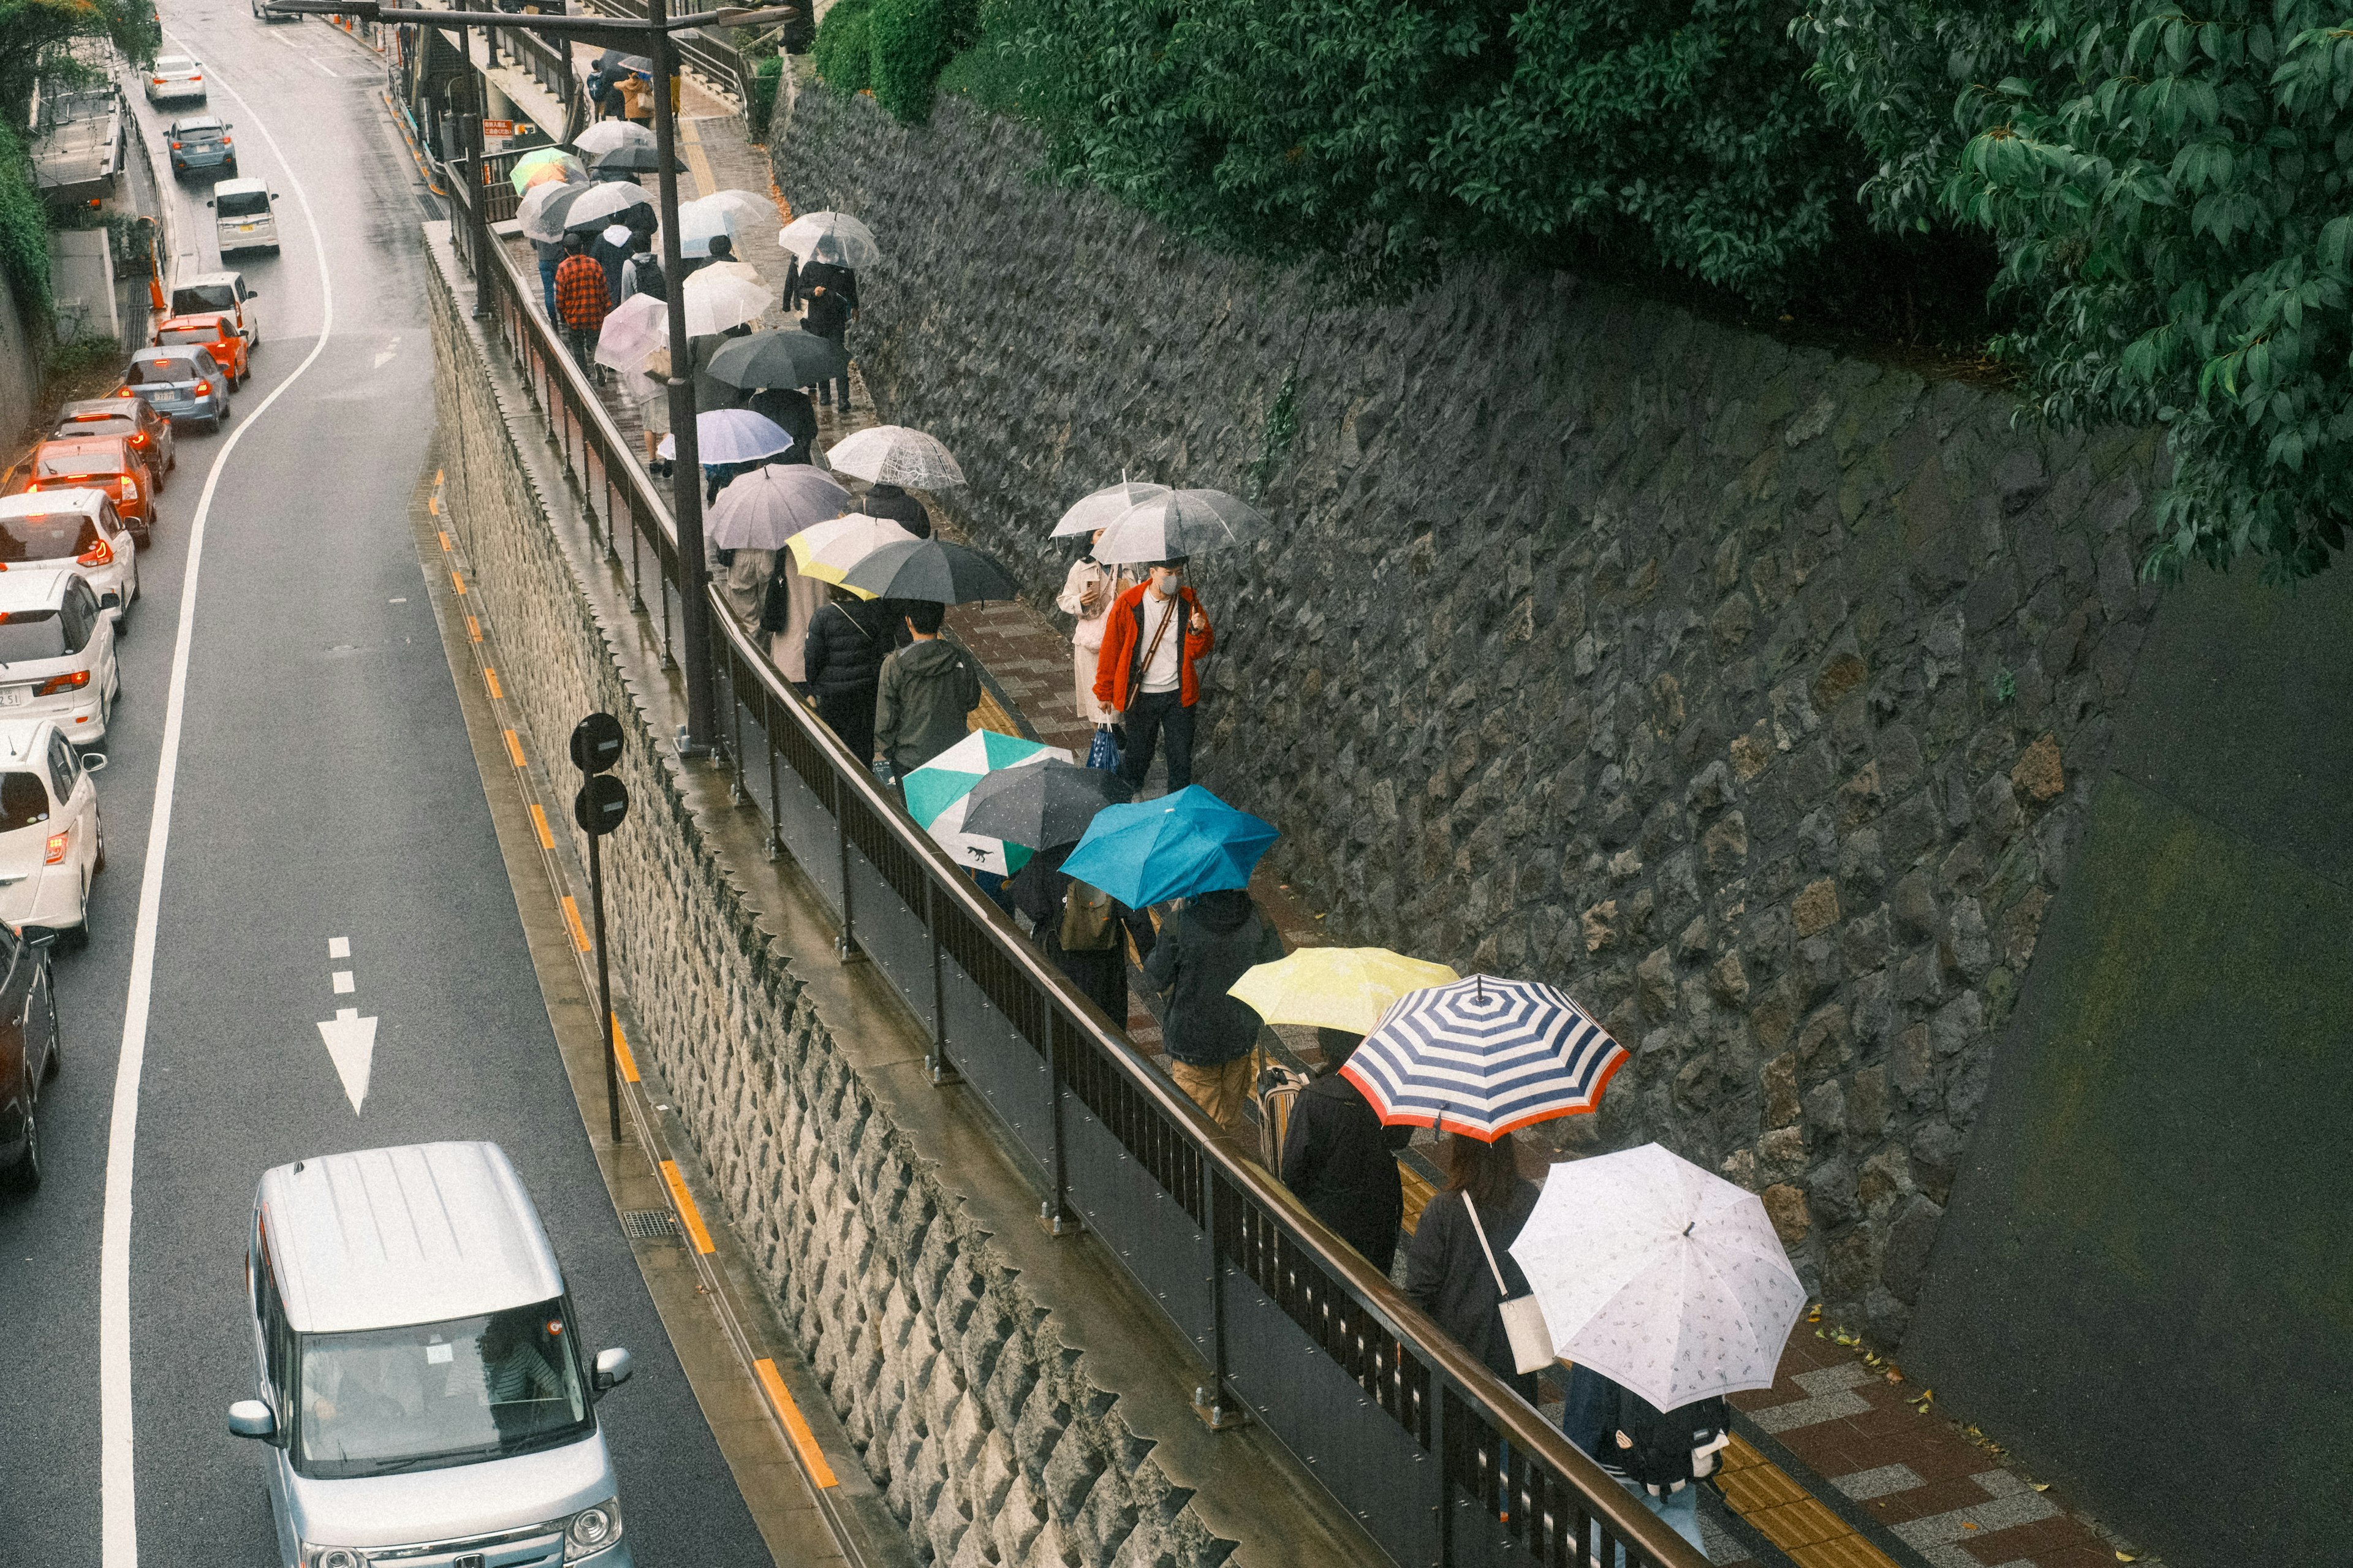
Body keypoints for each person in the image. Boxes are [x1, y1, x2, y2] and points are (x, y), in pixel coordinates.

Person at [1403, 1134, 1542, 1404]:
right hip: (1516, 1346)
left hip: (1459, 1350)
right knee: (1517, 1426)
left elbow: (1420, 1289)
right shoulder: (1529, 1199)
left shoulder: (1443, 1210)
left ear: (1460, 1152)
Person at [1141, 888, 1284, 1136]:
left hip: (1193, 1046)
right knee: (1229, 1127)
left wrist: (1174, 916)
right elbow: (1277, 967)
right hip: (1240, 1040)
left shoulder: (1180, 923)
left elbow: (1156, 977)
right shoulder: (1258, 916)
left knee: (1202, 1137)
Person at [1279, 1031, 1412, 1274]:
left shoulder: (1314, 1097)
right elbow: (1400, 1139)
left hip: (1327, 1215)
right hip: (1377, 1212)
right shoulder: (1388, 1092)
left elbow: (1292, 1169)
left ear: (1325, 1048)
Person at [1561, 1364, 1724, 1559]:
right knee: (1680, 1534)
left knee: (1613, 1551)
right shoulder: (1689, 1337)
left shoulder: (1602, 1339)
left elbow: (1586, 1408)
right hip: (1678, 1459)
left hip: (1620, 1466)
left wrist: (1573, 1463)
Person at [1093, 557, 1214, 795]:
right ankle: (1127, 799)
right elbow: (1111, 649)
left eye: (1179, 573)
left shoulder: (1189, 601)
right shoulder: (1130, 602)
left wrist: (1197, 631)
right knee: (1138, 754)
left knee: (1180, 758)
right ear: (1152, 572)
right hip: (1142, 695)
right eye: (1168, 573)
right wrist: (1104, 692)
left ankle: (1177, 809)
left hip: (1179, 695)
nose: (1175, 579)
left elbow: (1199, 652)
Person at [1007, 841, 1150, 1023]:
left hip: (1063, 960)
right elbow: (1137, 918)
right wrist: (1153, 962)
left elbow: (1035, 909)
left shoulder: (1046, 856)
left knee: (1067, 1023)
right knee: (1110, 1026)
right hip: (1107, 963)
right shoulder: (1113, 853)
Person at [872, 601, 980, 779]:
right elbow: (972, 700)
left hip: (909, 759)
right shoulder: (960, 658)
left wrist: (892, 754)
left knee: (911, 807)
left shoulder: (894, 665)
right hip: (953, 754)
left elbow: (885, 721)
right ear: (941, 620)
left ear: (908, 621)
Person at [802, 585, 890, 765]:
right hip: (867, 692)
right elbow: (886, 647)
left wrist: (814, 686)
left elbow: (812, 661)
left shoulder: (822, 617)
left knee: (834, 746)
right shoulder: (874, 612)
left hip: (833, 696)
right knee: (863, 746)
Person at [1056, 530, 1133, 726]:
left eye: (1110, 532)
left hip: (1120, 641)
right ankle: (1105, 746)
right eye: (1100, 533)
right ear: (1091, 539)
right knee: (1096, 705)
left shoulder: (1127, 566)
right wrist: (1079, 601)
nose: (1106, 537)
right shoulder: (1082, 567)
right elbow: (1064, 600)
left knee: (1117, 705)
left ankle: (1113, 742)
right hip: (1090, 644)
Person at [792, 235, 858, 412]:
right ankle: (825, 394)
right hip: (817, 319)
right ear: (818, 250)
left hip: (837, 319)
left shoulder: (843, 267)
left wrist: (855, 307)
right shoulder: (811, 267)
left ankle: (844, 398)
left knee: (838, 357)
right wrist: (813, 292)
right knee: (821, 356)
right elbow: (800, 289)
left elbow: (852, 290)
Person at [760, 537, 825, 684]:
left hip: (790, 624)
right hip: (820, 612)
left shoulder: (780, 536)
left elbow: (766, 569)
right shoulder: (824, 533)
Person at [553, 233, 611, 379]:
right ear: (583, 247)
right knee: (596, 342)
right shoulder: (594, 264)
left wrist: (563, 314)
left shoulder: (563, 269)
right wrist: (606, 308)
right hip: (595, 313)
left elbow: (560, 297)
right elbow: (604, 289)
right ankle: (599, 363)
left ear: (566, 250)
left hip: (574, 316)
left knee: (577, 345)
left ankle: (583, 373)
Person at [745, 385, 819, 466]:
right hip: (799, 459)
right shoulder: (802, 399)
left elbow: (752, 434)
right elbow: (813, 431)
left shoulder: (757, 401)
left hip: (769, 462)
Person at [857, 480, 930, 537]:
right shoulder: (914, 505)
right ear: (898, 481)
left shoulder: (864, 505)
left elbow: (854, 530)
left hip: (873, 553)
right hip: (904, 552)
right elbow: (925, 533)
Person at [531, 232, 567, 320]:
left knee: (548, 291)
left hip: (544, 261)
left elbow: (533, 244)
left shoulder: (538, 227)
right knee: (561, 289)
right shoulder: (558, 225)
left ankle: (553, 318)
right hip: (558, 260)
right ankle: (563, 314)